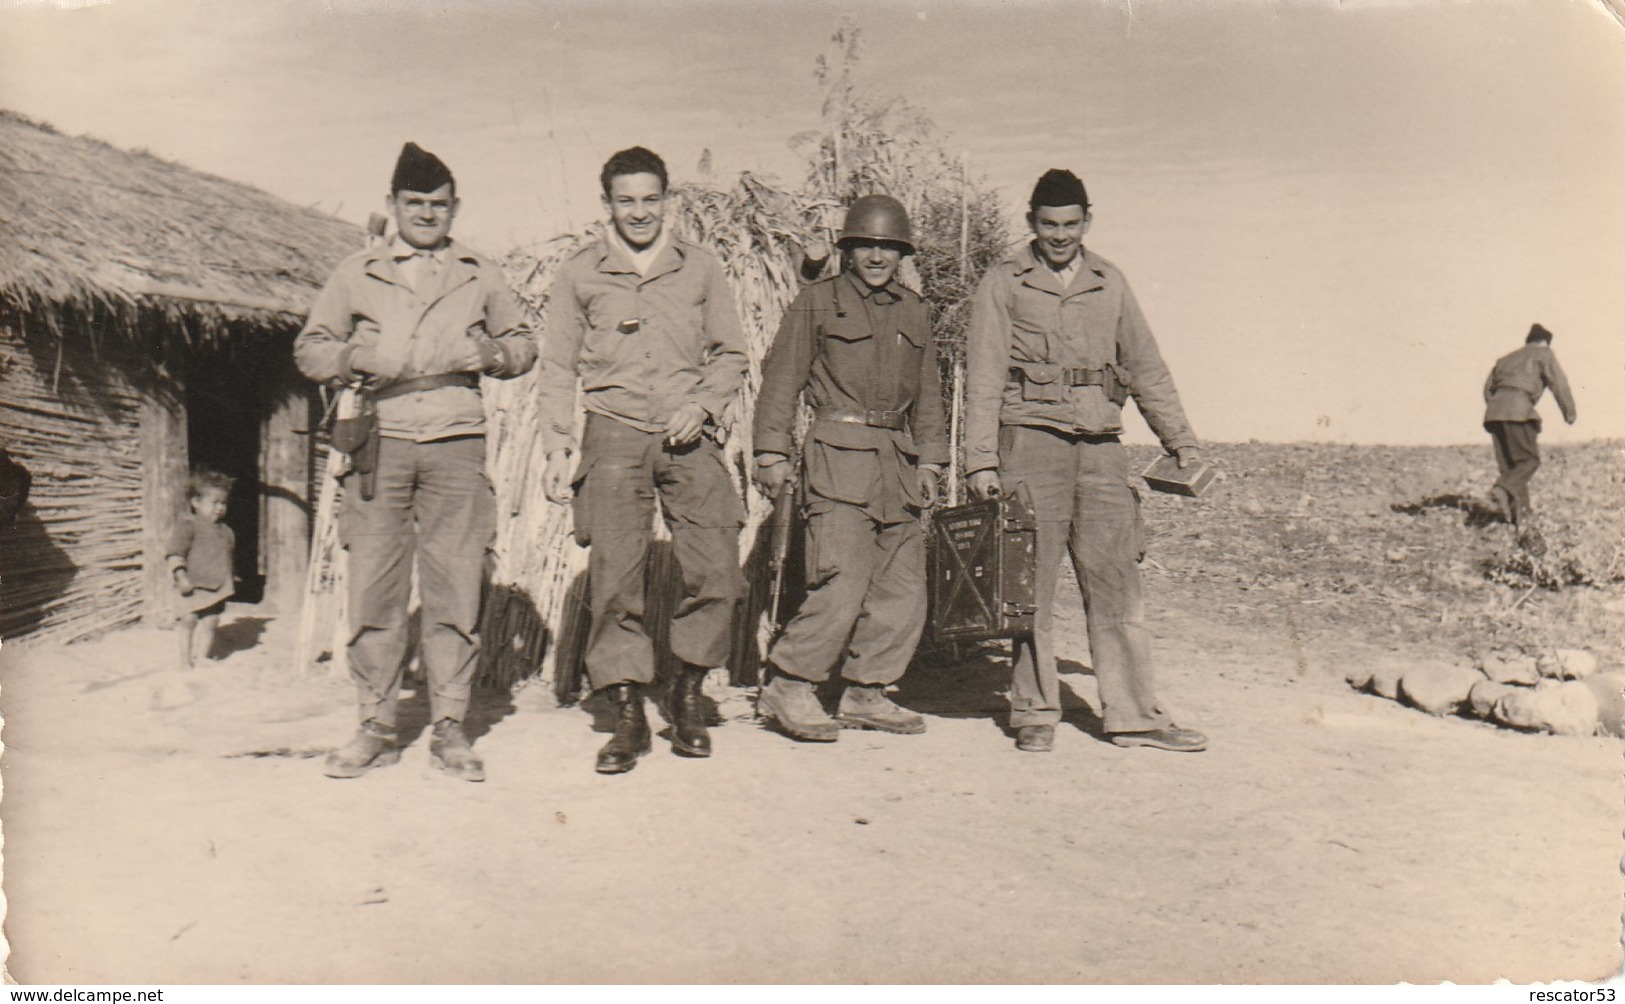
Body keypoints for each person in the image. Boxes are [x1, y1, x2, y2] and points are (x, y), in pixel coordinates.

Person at [295, 142, 537, 782]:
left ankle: (451, 725)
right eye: (415, 203)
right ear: (393, 206)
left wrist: (490, 353)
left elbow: (523, 344)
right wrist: (351, 361)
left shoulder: (478, 272)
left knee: (455, 584)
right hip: (382, 440)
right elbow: (311, 348)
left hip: (457, 439)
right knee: (375, 584)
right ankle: (375, 723)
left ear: (454, 208)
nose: (427, 214)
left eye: (438, 204)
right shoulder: (358, 271)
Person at [964, 168, 1208, 755]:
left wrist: (1183, 441)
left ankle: (1133, 716)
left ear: (1087, 222)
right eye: (1048, 225)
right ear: (1031, 224)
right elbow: (985, 374)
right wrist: (980, 461)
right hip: (1030, 444)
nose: (1060, 236)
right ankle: (1034, 712)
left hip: (1101, 448)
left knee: (1117, 579)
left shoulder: (1110, 281)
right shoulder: (1004, 282)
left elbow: (1147, 366)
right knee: (1029, 586)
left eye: (1071, 225)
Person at [540, 146, 748, 774]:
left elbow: (731, 354)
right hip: (613, 435)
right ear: (607, 205)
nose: (638, 212)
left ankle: (685, 694)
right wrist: (556, 445)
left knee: (717, 570)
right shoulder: (579, 274)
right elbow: (556, 366)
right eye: (625, 200)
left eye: (649, 198)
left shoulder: (701, 270)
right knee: (616, 580)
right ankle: (626, 711)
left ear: (668, 201)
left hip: (689, 436)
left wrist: (705, 407)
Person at [751, 195, 948, 742]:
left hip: (898, 464)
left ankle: (868, 691)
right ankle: (790, 684)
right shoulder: (819, 301)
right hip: (837, 459)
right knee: (841, 578)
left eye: (889, 247)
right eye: (867, 245)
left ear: (902, 253)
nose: (877, 256)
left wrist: (931, 458)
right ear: (849, 249)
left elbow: (929, 394)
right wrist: (769, 451)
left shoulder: (915, 311)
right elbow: (781, 380)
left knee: (903, 588)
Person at [1482, 323, 1577, 527]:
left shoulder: (1505, 359)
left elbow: (1487, 390)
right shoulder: (1544, 353)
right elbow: (1558, 383)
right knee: (1528, 462)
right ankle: (1502, 489)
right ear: (1545, 343)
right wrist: (1569, 412)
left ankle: (1519, 518)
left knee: (1511, 469)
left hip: (1493, 414)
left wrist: (1499, 407)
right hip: (1519, 411)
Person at [166, 469, 235, 669]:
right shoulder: (188, 525)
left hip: (216, 585)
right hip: (191, 585)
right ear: (196, 502)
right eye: (215, 502)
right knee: (189, 620)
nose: (220, 508)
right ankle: (184, 660)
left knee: (212, 621)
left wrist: (229, 578)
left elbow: (227, 557)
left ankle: (202, 656)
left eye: (223, 503)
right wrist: (180, 576)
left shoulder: (226, 532)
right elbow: (175, 553)